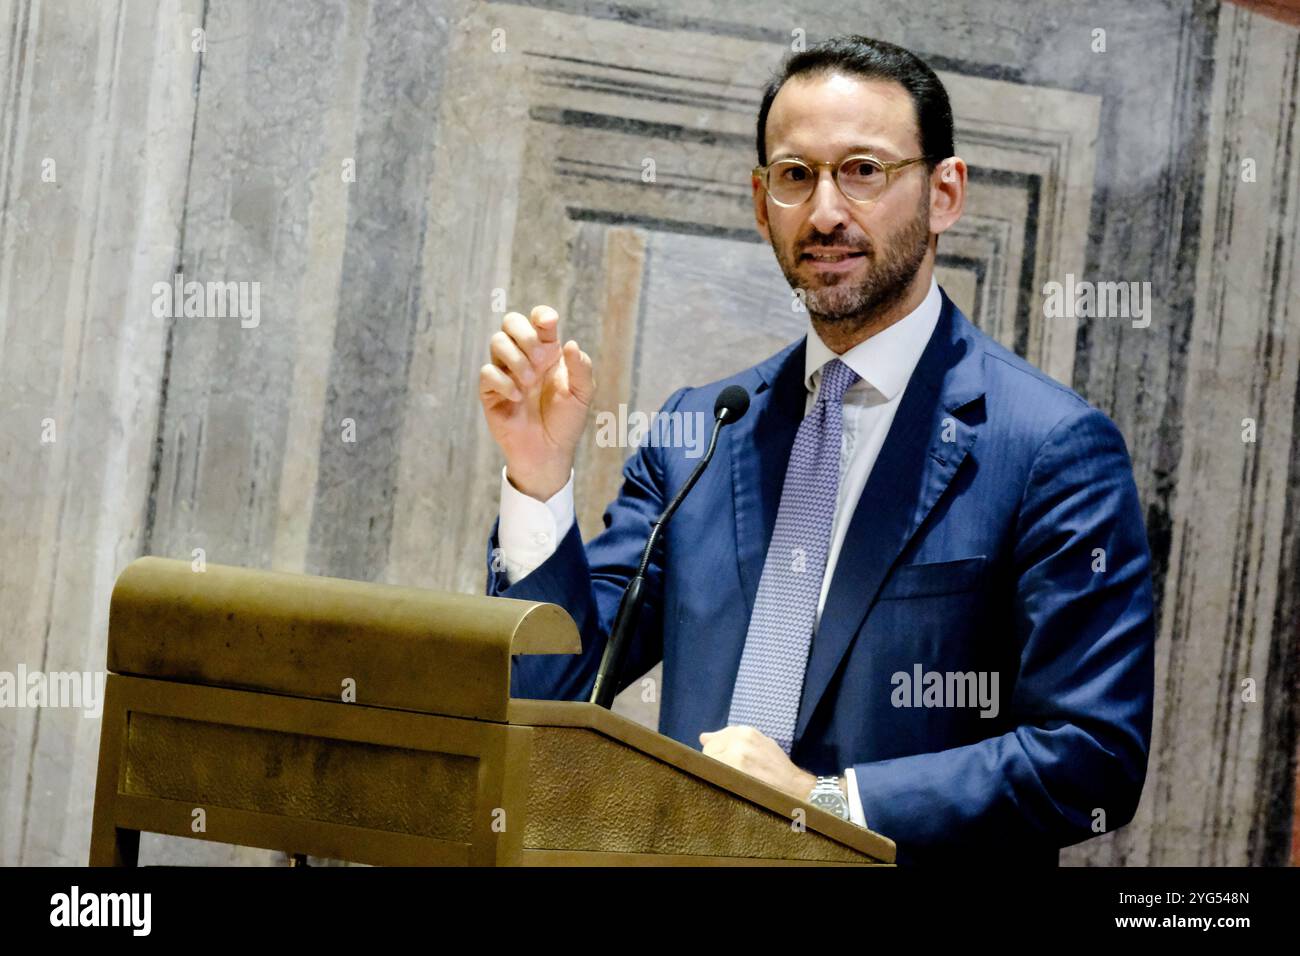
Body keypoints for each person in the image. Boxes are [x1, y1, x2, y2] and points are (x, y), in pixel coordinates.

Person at [477, 35, 1154, 865]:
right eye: (797, 176)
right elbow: (550, 695)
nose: (827, 211)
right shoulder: (704, 432)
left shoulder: (1048, 448)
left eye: (864, 171)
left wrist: (825, 804)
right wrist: (538, 478)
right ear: (762, 203)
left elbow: (1092, 759)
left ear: (945, 193)